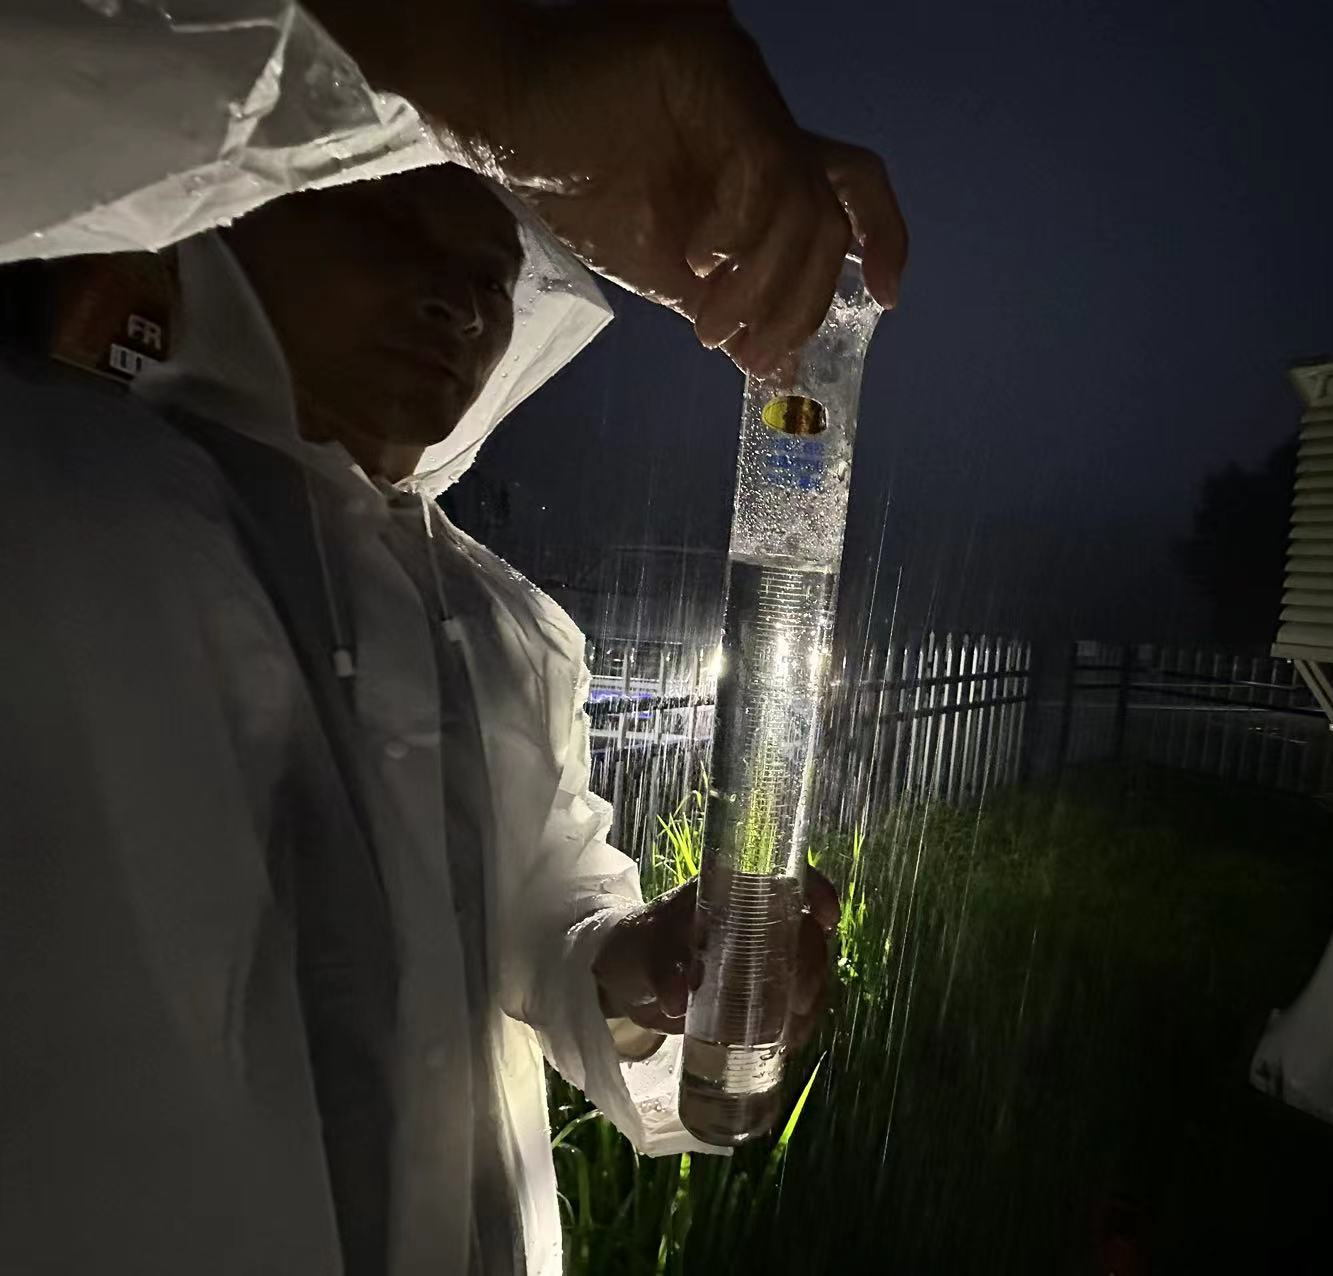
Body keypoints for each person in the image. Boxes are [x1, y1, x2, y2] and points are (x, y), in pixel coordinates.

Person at [0, 3, 905, 1274]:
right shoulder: (52, 499)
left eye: (489, 273)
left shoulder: (506, 624)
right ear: (225, 208)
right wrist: (479, 65)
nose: (455, 300)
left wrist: (648, 963)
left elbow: (542, 918)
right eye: (383, 219)